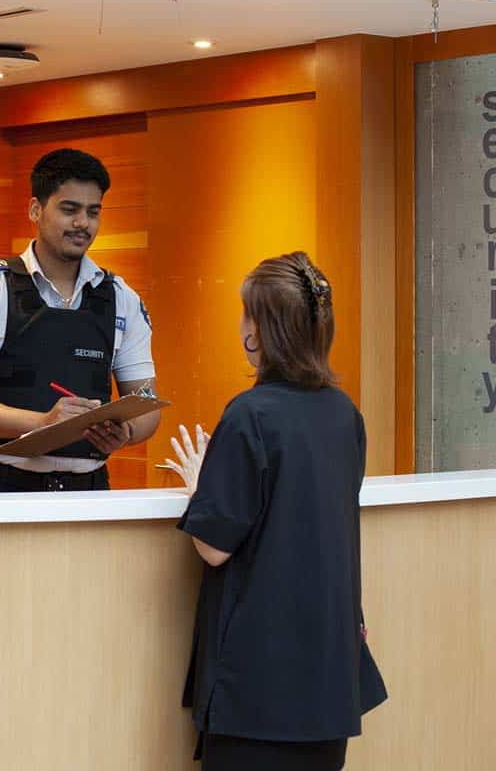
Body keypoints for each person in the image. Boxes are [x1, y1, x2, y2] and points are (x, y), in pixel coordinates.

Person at [165, 251, 387, 770]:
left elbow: (214, 547)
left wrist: (201, 485)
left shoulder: (249, 416)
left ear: (260, 330)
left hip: (260, 682)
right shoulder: (344, 415)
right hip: (330, 679)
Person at [0, 147, 160, 492]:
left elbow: (145, 402)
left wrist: (126, 433)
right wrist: (42, 423)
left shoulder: (122, 299)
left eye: (92, 212)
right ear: (35, 209)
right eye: (69, 209)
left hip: (90, 493)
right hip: (1, 492)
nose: (82, 223)